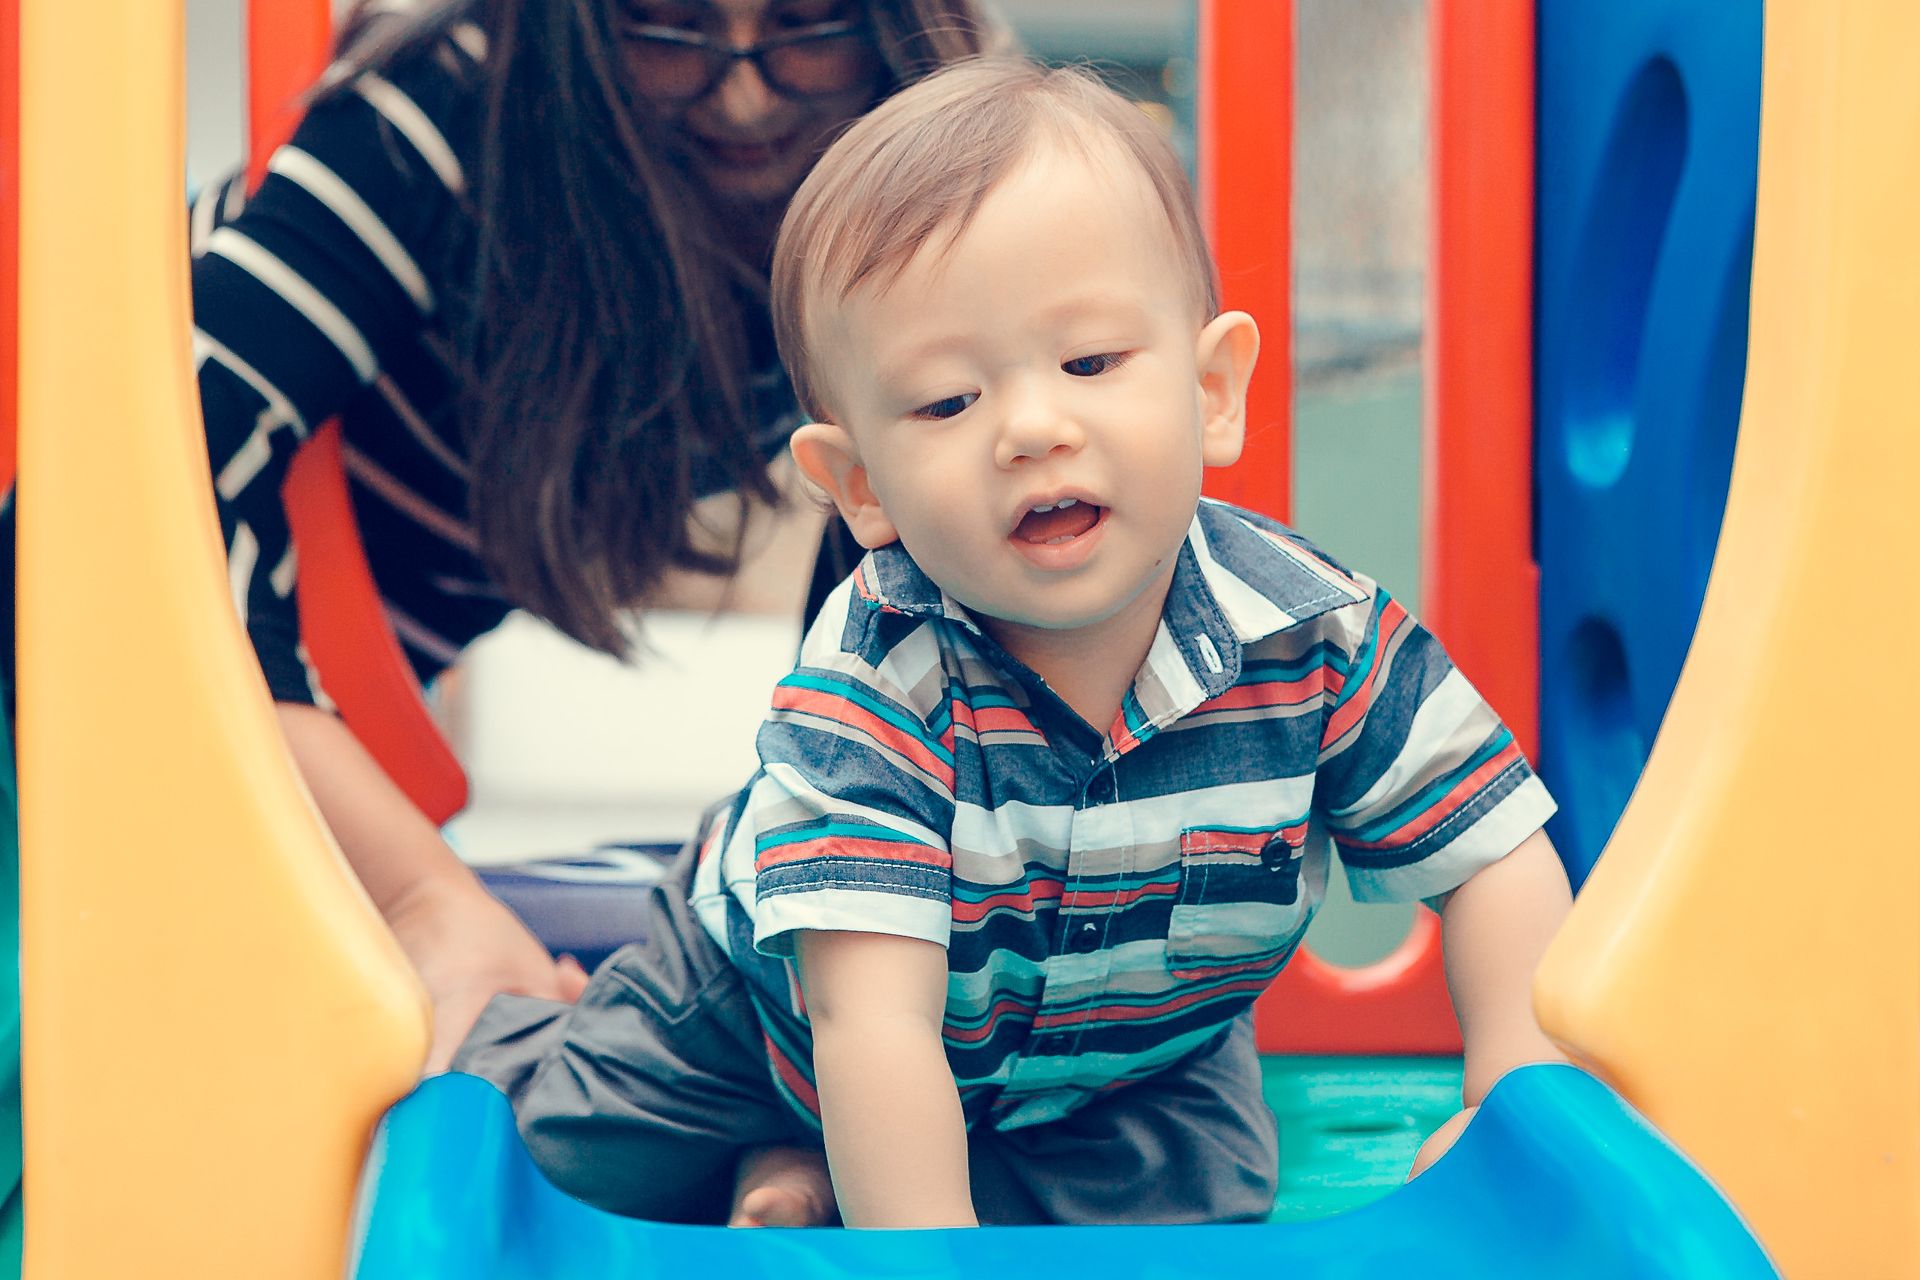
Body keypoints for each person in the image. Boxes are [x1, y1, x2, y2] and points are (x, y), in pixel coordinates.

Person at [453, 56, 1575, 1228]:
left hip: (1130, 1068)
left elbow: (1495, 853)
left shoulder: (1314, 634)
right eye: (947, 402)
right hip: (757, 1016)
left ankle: (813, 1174)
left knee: (1196, 1210)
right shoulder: (878, 687)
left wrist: (1514, 1097)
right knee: (555, 1163)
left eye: (1090, 362)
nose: (1034, 428)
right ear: (860, 487)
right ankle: (564, 1046)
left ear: (1214, 391)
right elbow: (869, 1023)